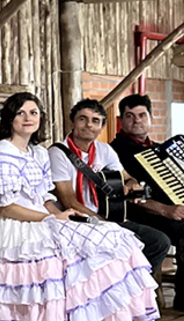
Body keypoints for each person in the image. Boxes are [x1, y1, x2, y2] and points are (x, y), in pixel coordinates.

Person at [0, 93, 159, 321]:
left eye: (34, 113)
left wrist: (58, 215)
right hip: (18, 227)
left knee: (118, 237)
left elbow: (45, 196)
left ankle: (131, 318)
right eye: (21, 113)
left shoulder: (37, 152)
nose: (28, 118)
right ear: (9, 118)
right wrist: (52, 217)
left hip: (44, 217)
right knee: (94, 251)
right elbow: (6, 208)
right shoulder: (1, 153)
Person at [47, 99, 171, 280]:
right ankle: (118, 285)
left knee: (158, 241)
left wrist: (131, 184)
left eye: (95, 121)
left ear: (102, 127)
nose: (89, 125)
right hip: (75, 221)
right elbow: (68, 202)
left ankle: (130, 286)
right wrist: (103, 224)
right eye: (83, 119)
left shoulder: (104, 150)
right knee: (121, 243)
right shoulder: (58, 153)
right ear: (72, 123)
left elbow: (127, 176)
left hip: (104, 218)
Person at [111, 93, 184, 311]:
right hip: (141, 214)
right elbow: (125, 196)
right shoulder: (115, 151)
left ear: (150, 118)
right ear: (121, 120)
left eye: (142, 115)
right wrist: (166, 210)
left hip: (173, 211)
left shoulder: (160, 149)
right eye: (130, 116)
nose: (137, 120)